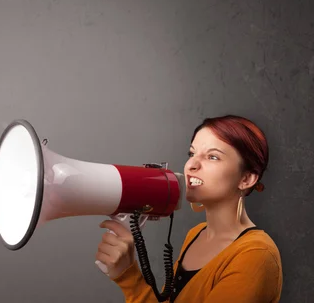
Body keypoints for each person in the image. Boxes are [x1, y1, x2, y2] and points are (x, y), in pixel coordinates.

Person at [95, 115, 283, 302]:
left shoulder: (256, 254)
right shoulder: (196, 234)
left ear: (246, 179)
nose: (191, 165)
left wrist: (130, 279)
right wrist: (124, 272)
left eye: (213, 157)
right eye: (192, 154)